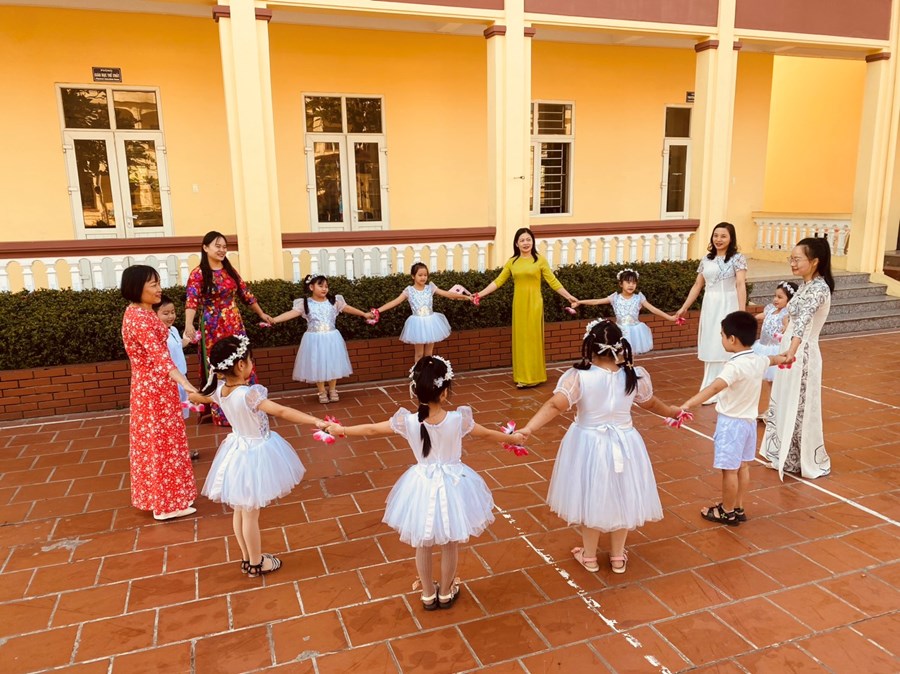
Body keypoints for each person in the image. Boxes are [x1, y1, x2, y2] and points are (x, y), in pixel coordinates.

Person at [325, 356, 524, 609]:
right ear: (445, 393)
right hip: (454, 485)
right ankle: (446, 591)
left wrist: (342, 430)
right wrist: (514, 439)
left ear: (414, 391)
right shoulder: (459, 420)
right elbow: (487, 435)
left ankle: (428, 593)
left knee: (423, 541)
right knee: (450, 542)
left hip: (420, 485)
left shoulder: (407, 421)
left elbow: (372, 430)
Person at [518, 319, 679, 574]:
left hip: (588, 443)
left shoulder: (579, 377)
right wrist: (671, 412)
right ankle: (617, 557)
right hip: (626, 443)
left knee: (589, 496)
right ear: (620, 346)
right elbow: (650, 403)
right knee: (624, 495)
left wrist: (528, 428)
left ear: (590, 346)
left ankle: (590, 556)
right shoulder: (633, 375)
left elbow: (555, 405)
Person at [189, 336, 328, 577]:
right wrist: (316, 421)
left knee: (240, 511)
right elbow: (281, 411)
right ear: (241, 365)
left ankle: (247, 558)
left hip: (236, 452)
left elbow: (199, 397)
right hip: (255, 455)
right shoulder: (249, 394)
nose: (252, 363)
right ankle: (257, 562)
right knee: (250, 514)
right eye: (250, 359)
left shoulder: (220, 391)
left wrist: (190, 393)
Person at [676, 312, 792, 526]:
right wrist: (785, 356)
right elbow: (773, 359)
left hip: (731, 424)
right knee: (743, 467)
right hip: (748, 424)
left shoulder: (734, 366)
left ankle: (726, 511)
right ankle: (738, 506)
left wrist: (687, 404)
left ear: (732, 339)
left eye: (722, 335)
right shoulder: (757, 359)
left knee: (729, 471)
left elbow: (713, 388)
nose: (721, 338)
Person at [120, 265, 198, 521]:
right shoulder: (139, 318)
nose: (159, 289)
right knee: (161, 445)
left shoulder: (142, 312)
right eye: (153, 284)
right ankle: (165, 505)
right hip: (153, 391)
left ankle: (170, 498)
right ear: (136, 287)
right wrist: (186, 384)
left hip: (158, 387)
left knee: (166, 442)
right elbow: (160, 358)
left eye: (158, 283)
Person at [761, 238, 834, 479]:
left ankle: (800, 458)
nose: (792, 263)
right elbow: (792, 317)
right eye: (790, 259)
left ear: (814, 262)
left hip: (802, 355)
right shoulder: (804, 286)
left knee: (800, 405)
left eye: (797, 259)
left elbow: (803, 322)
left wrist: (791, 352)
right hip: (790, 350)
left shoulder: (819, 289)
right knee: (785, 399)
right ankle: (786, 455)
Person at [184, 231, 274, 426]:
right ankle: (223, 413)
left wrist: (261, 314)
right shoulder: (198, 274)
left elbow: (246, 294)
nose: (222, 250)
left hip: (234, 324)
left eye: (224, 247)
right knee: (219, 365)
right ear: (205, 248)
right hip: (212, 326)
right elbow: (191, 301)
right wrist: (188, 324)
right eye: (217, 246)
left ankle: (251, 405)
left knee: (241, 361)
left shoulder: (230, 270)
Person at [474, 228, 579, 388]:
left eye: (528, 239)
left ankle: (535, 376)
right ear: (516, 243)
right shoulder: (512, 262)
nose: (525, 243)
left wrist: (568, 296)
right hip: (519, 305)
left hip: (535, 303)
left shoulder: (540, 260)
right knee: (521, 339)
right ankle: (522, 376)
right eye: (522, 240)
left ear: (533, 241)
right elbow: (498, 281)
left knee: (533, 339)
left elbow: (553, 281)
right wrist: (480, 294)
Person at [270, 274, 373, 404]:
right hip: (314, 339)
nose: (324, 289)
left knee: (333, 362)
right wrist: (274, 320)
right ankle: (321, 391)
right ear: (311, 287)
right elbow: (291, 313)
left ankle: (333, 389)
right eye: (320, 286)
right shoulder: (305, 303)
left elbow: (347, 308)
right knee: (317, 363)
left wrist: (364, 314)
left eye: (326, 286)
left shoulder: (333, 301)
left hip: (332, 337)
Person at [676, 222, 748, 399]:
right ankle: (710, 387)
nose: (718, 239)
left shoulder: (737, 258)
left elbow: (740, 284)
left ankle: (725, 387)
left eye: (723, 236)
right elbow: (697, 285)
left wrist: (742, 312)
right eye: (716, 235)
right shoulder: (706, 259)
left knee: (725, 341)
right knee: (711, 341)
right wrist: (684, 307)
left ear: (731, 239)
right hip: (710, 305)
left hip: (728, 303)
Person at [376, 263, 471, 363]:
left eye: (425, 275)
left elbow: (447, 294)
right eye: (420, 275)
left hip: (431, 322)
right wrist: (377, 311)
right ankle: (418, 372)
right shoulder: (409, 291)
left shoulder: (430, 288)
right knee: (419, 354)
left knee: (429, 354)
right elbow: (394, 302)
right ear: (413, 276)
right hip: (417, 325)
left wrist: (466, 297)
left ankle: (428, 372)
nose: (423, 277)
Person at [573, 268, 676, 354]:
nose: (631, 285)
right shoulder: (615, 298)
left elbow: (653, 309)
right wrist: (579, 302)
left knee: (631, 354)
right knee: (620, 354)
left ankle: (630, 370)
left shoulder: (639, 298)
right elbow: (597, 301)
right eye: (628, 282)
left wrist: (670, 317)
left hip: (635, 331)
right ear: (621, 284)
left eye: (634, 283)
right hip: (619, 331)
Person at [752, 281, 796, 418]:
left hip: (775, 350)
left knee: (777, 382)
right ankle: (771, 408)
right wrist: (749, 319)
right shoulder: (770, 309)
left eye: (780, 297)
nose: (776, 299)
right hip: (763, 348)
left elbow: (788, 326)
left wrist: (786, 328)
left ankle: (777, 409)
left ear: (789, 300)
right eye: (775, 296)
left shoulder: (785, 314)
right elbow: (761, 316)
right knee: (769, 382)